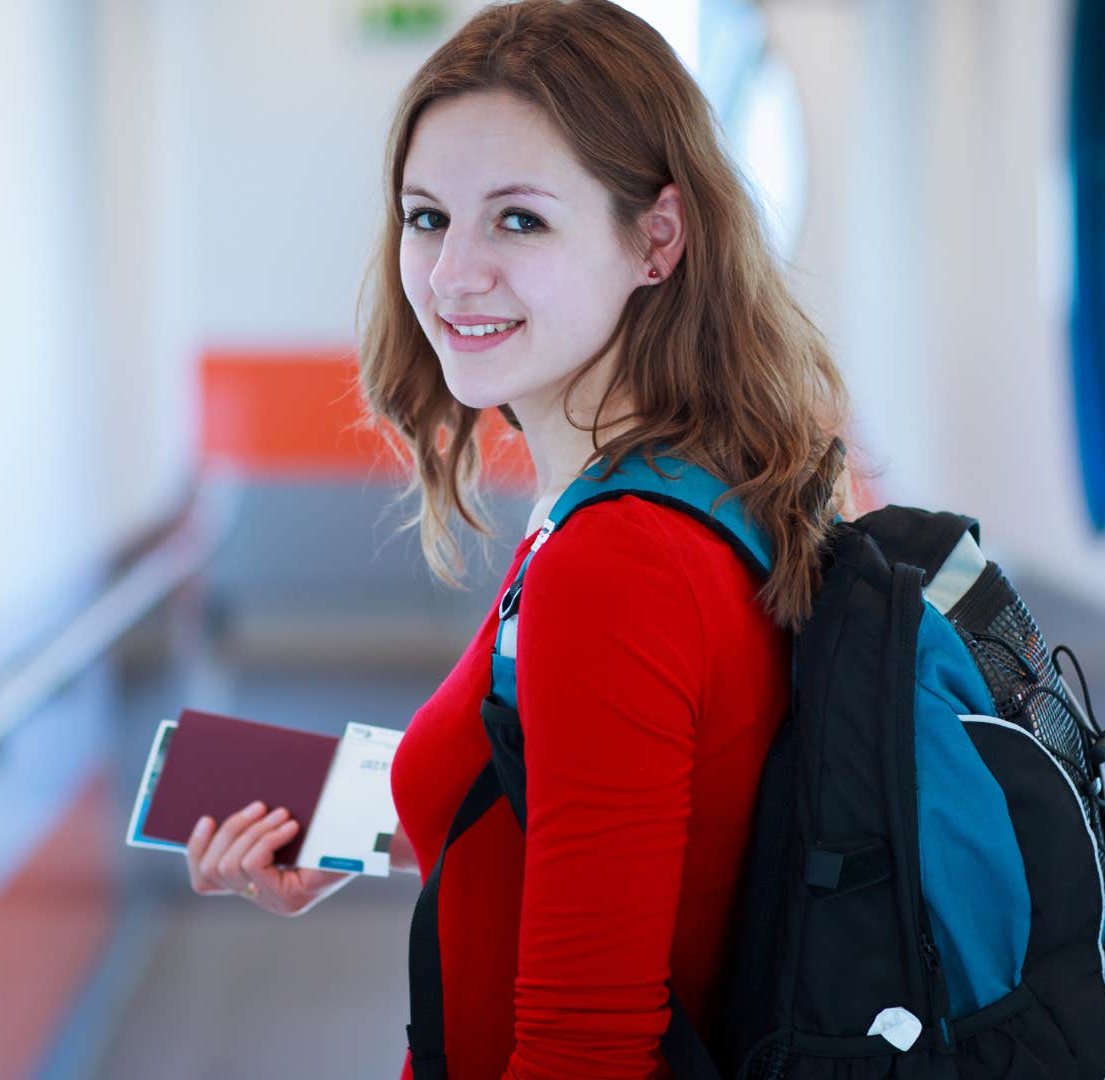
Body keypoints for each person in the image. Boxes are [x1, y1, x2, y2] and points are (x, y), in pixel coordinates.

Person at [185, 1, 853, 1075]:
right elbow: (565, 788)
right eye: (426, 216)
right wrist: (336, 828)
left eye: (519, 220)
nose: (452, 274)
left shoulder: (618, 562)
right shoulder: (679, 488)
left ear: (657, 238)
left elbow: (583, 1050)